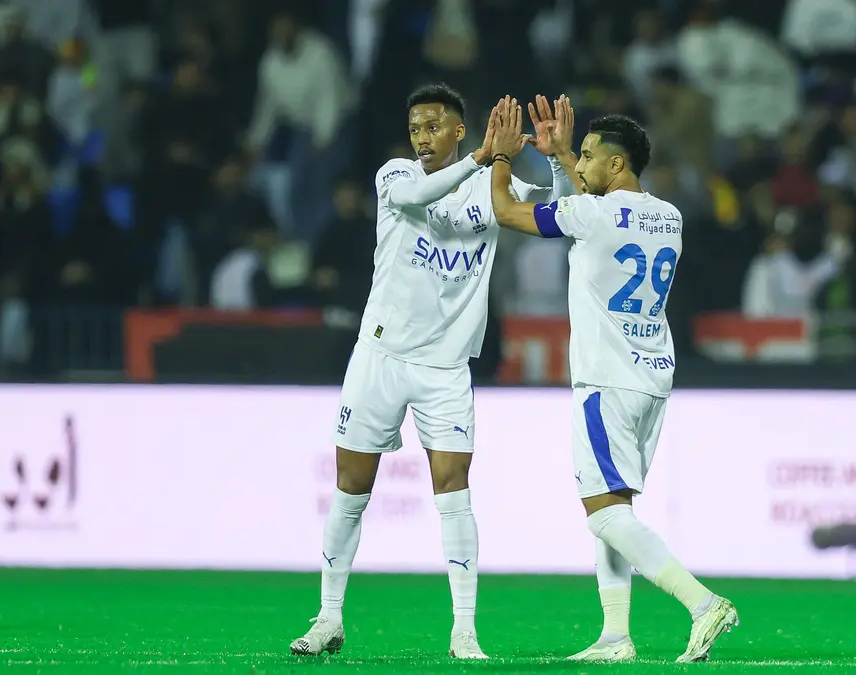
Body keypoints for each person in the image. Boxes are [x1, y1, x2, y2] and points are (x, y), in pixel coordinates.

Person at [289, 85, 577, 659]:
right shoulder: (395, 175)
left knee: (454, 493)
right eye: (416, 127)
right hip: (381, 355)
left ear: (459, 129)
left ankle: (464, 630)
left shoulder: (492, 185)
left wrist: (553, 159)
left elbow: (560, 216)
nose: (421, 137)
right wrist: (484, 158)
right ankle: (328, 617)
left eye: (433, 126)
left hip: (445, 365)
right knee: (350, 491)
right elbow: (423, 194)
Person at [485, 97, 738, 663]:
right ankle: (615, 636)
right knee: (616, 510)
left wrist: (503, 157)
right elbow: (593, 202)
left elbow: (506, 211)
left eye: (591, 156)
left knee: (602, 512)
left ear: (617, 166)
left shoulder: (591, 214)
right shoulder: (669, 216)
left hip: (606, 378)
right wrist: (562, 159)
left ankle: (702, 604)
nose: (583, 162)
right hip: (652, 377)